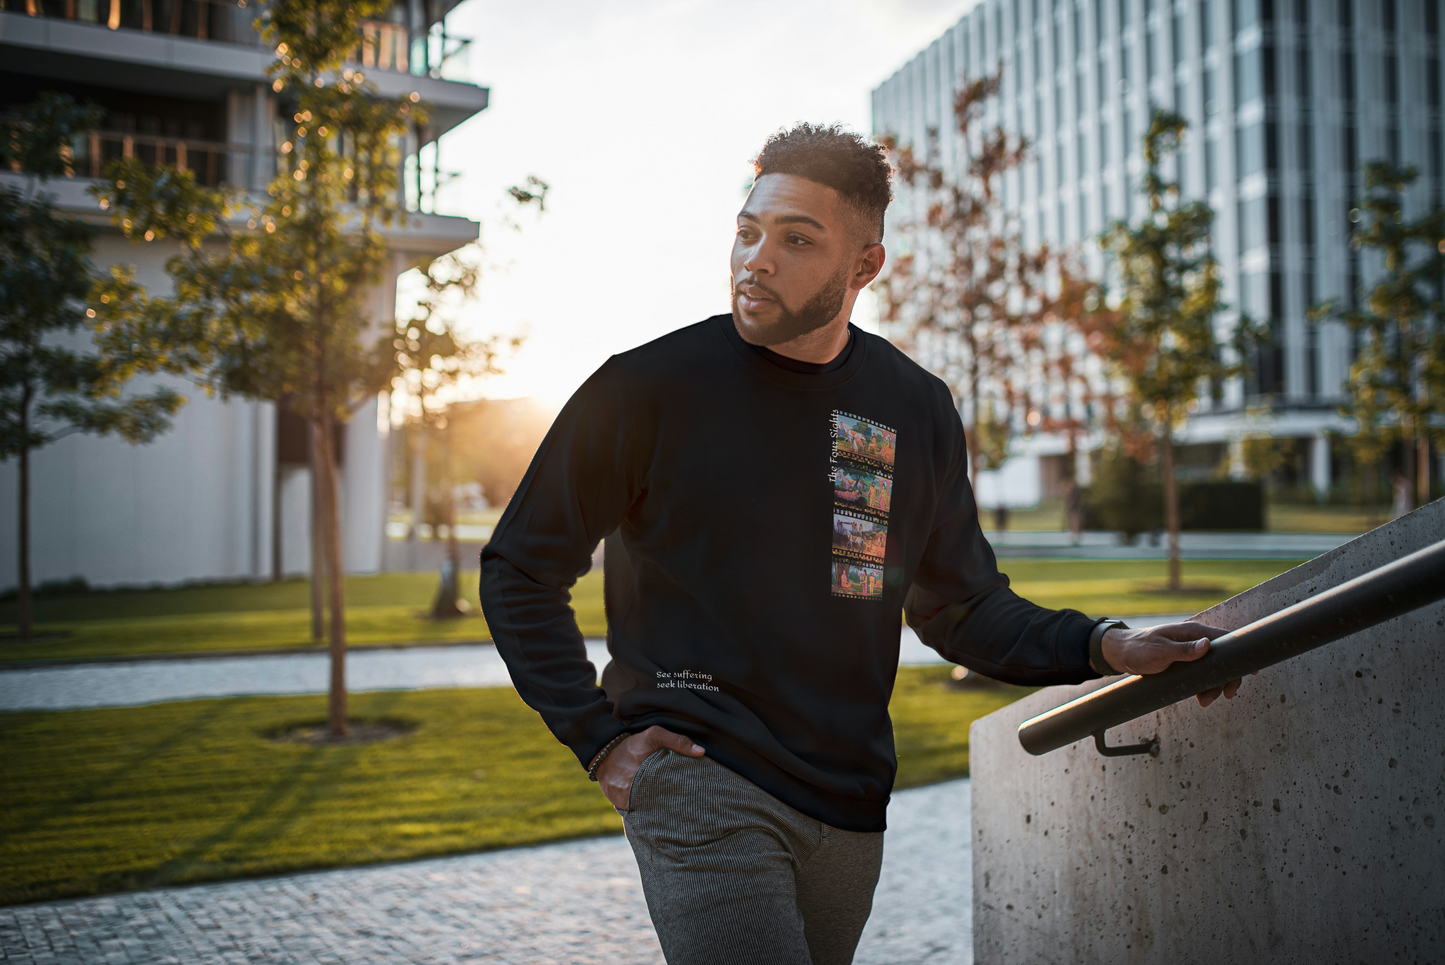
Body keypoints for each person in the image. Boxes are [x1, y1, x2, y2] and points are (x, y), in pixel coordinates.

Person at [478, 123, 1243, 965]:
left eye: (796, 239)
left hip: (848, 801)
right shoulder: (644, 388)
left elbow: (961, 607)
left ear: (864, 265)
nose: (756, 259)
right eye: (747, 231)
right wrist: (597, 738)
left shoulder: (911, 406)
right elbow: (520, 567)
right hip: (700, 777)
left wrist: (1107, 643)